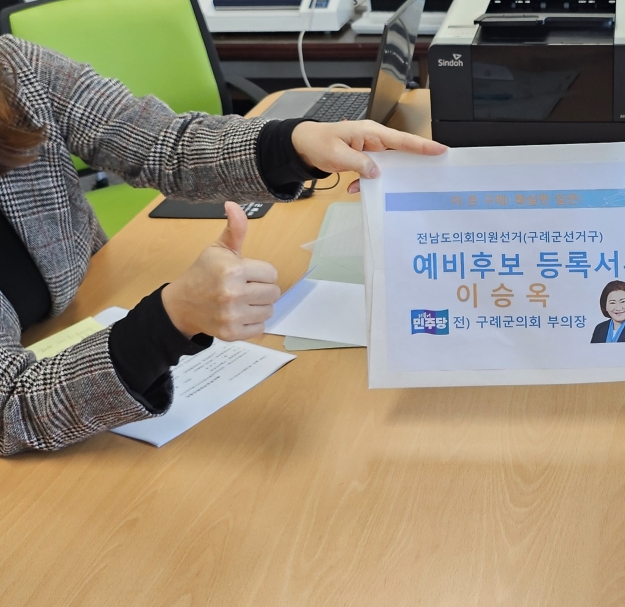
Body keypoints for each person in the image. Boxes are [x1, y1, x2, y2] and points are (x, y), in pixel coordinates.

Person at [0, 34, 443, 454]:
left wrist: (293, 145)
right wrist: (169, 320)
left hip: (71, 313)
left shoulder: (15, 66)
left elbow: (162, 143)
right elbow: (10, 410)